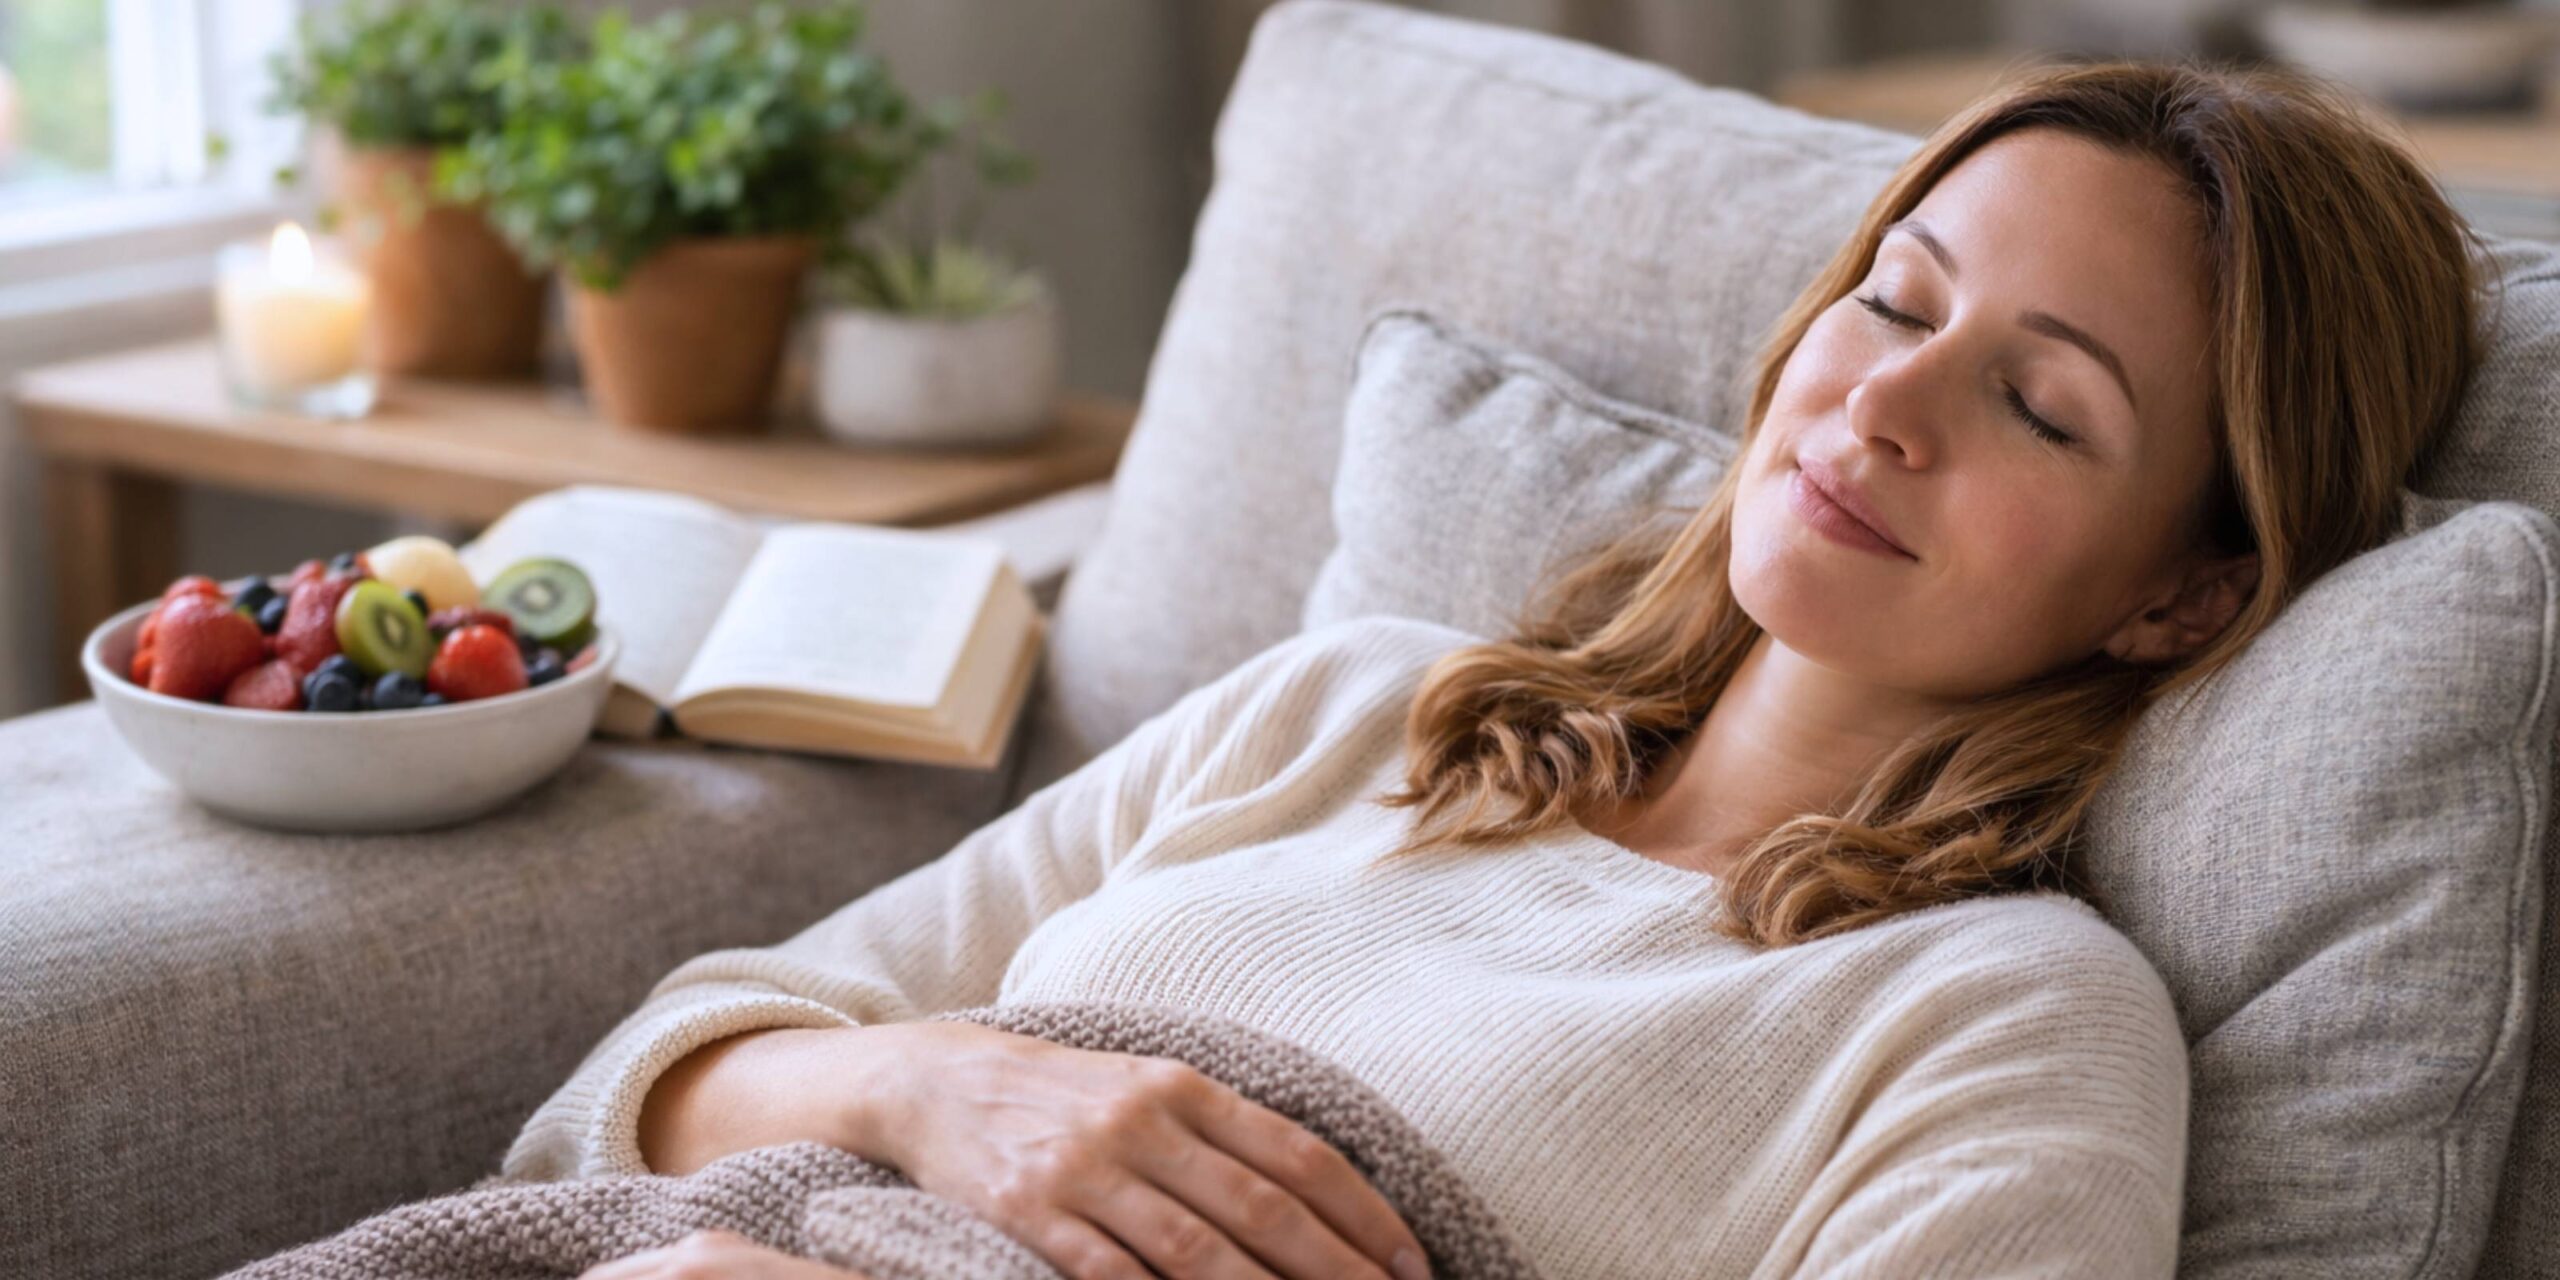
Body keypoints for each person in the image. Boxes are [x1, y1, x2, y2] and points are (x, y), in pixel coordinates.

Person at [519, 58, 2484, 1280]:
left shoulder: (1990, 1014)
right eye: (1889, 298)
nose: (1877, 401)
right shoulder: (1356, 708)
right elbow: (634, 1093)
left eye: (2038, 408)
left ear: (2182, 597)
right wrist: (942, 1088)